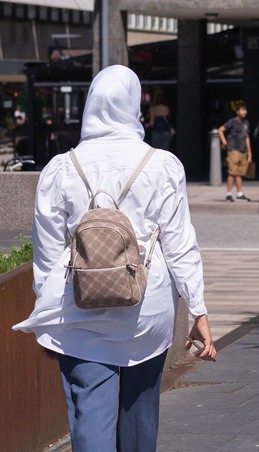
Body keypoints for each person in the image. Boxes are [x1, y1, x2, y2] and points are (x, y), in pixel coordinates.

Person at [12, 65, 217, 451]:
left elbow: (48, 255)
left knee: (89, 412)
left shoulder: (60, 168)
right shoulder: (162, 165)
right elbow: (180, 245)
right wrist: (199, 311)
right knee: (140, 411)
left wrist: (46, 314)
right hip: (146, 309)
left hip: (78, 308)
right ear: (133, 105)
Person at [218, 102, 253, 202]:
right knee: (232, 172)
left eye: (245, 110)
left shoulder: (246, 123)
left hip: (243, 150)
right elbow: (220, 129)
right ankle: (229, 193)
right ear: (237, 111)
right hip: (234, 149)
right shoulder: (232, 121)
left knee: (239, 173)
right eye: (242, 110)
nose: (244, 112)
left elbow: (247, 137)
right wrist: (224, 142)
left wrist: (249, 151)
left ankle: (239, 193)